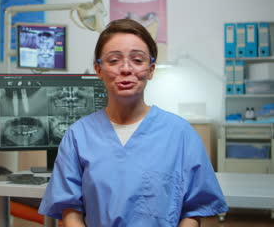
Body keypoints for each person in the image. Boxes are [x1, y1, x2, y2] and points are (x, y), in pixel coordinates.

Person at [38, 19, 228, 226]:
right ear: (98, 70)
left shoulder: (180, 133)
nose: (126, 69)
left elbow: (194, 209)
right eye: (113, 61)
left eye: (137, 60)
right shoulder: (78, 136)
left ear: (151, 69)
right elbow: (70, 209)